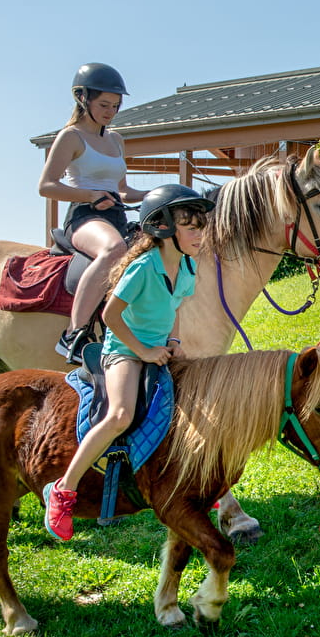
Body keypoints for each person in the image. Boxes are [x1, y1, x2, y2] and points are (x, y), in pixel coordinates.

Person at [41, 185, 213, 541]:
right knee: (119, 415)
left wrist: (174, 341)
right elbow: (111, 315)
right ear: (163, 228)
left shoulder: (186, 266)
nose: (200, 234)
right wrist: (144, 351)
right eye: (191, 227)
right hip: (123, 349)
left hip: (159, 348)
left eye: (201, 226)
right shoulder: (143, 268)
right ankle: (63, 490)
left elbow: (175, 306)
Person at [38, 63, 149, 365]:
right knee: (114, 249)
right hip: (84, 216)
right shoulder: (71, 137)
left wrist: (157, 194)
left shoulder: (116, 140)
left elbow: (123, 191)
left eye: (115, 106)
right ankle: (73, 334)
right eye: (104, 105)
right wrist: (90, 195)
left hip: (116, 215)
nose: (110, 111)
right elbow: (46, 186)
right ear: (82, 98)